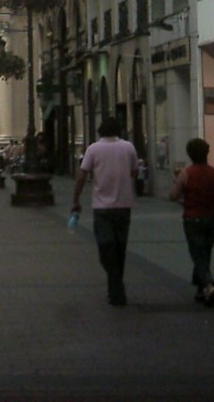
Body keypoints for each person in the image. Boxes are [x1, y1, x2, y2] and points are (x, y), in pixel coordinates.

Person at [71, 115, 138, 306]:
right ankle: (116, 287)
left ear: (100, 130)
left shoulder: (93, 149)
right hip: (124, 206)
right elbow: (134, 172)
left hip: (102, 207)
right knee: (120, 248)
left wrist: (75, 200)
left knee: (106, 248)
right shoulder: (128, 147)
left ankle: (116, 287)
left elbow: (81, 176)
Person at [170, 137, 214, 306]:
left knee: (198, 254)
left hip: (192, 219)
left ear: (190, 154)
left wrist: (177, 181)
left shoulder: (186, 173)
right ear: (207, 153)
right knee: (205, 252)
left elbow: (173, 196)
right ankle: (200, 290)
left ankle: (208, 285)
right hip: (212, 219)